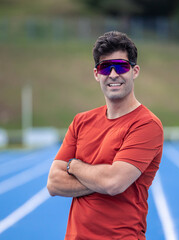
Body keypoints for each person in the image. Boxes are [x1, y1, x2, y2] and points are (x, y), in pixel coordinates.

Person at [47, 31, 163, 240]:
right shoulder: (81, 121)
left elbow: (114, 183)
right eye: (104, 67)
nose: (112, 74)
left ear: (134, 71)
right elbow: (54, 183)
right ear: (96, 74)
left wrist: (74, 166)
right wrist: (101, 178)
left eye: (120, 66)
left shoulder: (147, 124)